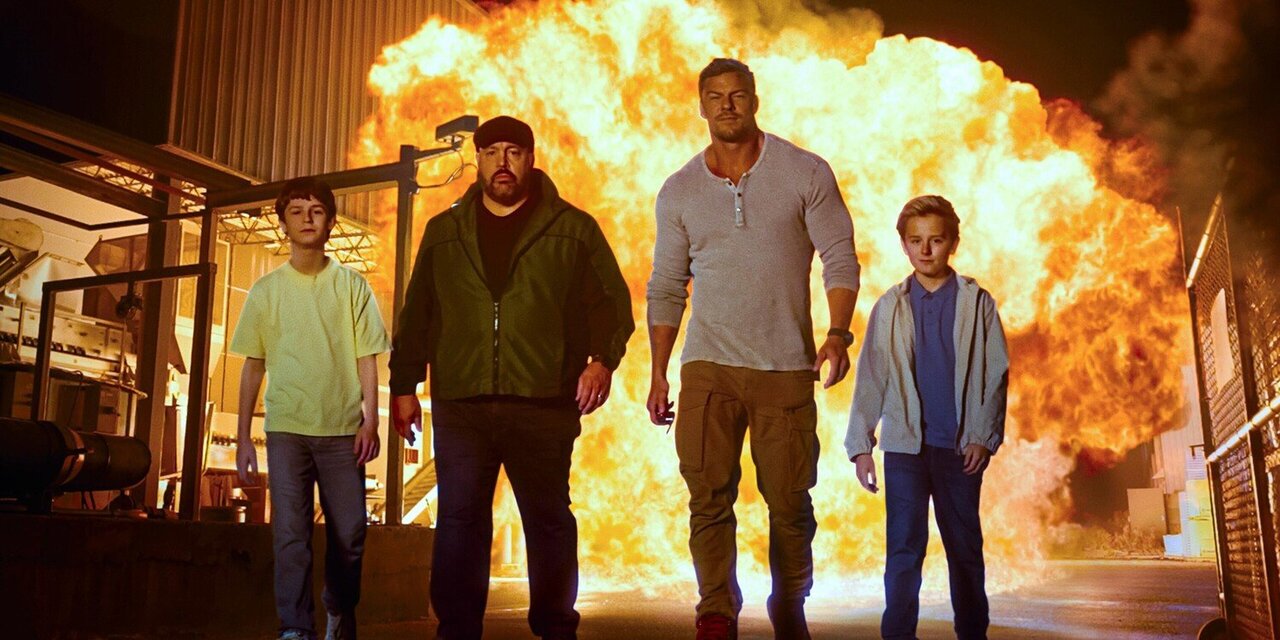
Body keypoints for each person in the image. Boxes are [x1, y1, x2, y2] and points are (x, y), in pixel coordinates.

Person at [388, 115, 634, 640]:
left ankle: (556, 627)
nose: (503, 162)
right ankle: (457, 630)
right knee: (459, 522)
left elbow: (612, 304)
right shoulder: (444, 231)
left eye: (514, 152)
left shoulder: (573, 228)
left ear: (531, 159)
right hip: (462, 402)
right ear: (477, 161)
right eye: (491, 152)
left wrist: (601, 361)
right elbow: (418, 315)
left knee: (548, 521)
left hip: (543, 400)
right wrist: (403, 386)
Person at [645, 58, 861, 640]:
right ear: (701, 106)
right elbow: (666, 285)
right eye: (715, 96)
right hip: (707, 367)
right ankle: (716, 610)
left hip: (784, 367)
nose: (727, 105)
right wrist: (659, 372)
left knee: (789, 502)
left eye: (737, 95)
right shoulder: (679, 190)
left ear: (755, 100)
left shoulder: (805, 171)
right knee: (707, 496)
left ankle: (789, 599)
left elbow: (839, 257)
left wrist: (837, 334)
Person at [843, 195, 1009, 640]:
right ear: (903, 245)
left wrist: (982, 436)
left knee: (965, 552)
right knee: (903, 552)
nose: (926, 249)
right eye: (916, 240)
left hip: (959, 451)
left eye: (936, 239)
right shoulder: (890, 306)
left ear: (953, 242)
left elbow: (996, 374)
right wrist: (861, 446)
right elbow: (872, 376)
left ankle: (972, 633)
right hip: (904, 451)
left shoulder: (977, 303)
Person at [233, 176, 390, 640]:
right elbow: (252, 366)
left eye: (316, 211)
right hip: (286, 431)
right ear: (283, 223)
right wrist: (243, 439)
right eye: (296, 211)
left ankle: (339, 608)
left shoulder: (352, 286)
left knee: (351, 536)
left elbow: (367, 358)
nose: (306, 219)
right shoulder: (266, 291)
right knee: (290, 535)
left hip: (343, 433)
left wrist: (370, 420)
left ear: (331, 222)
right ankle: (295, 628)